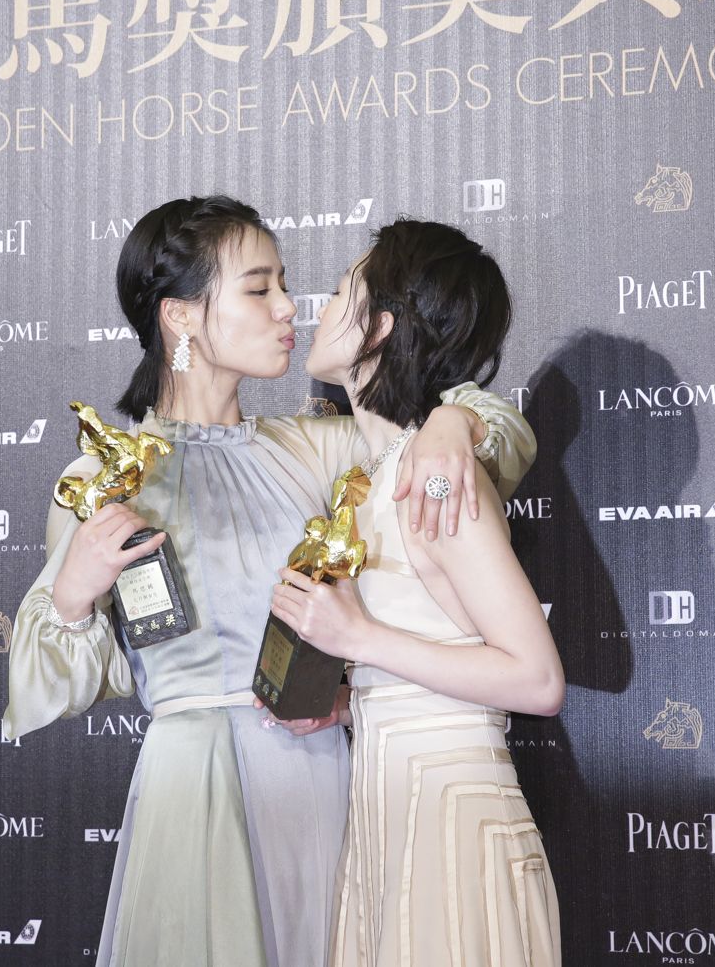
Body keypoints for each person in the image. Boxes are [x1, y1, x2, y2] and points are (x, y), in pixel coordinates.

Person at [1, 196, 537, 967]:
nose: (289, 307)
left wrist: (459, 422)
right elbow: (59, 681)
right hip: (196, 788)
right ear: (181, 316)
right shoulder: (104, 478)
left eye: (283, 283)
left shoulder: (318, 450)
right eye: (259, 288)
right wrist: (74, 593)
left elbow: (469, 436)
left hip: (328, 779)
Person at [272, 218, 565, 967]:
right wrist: (349, 700)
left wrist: (359, 639)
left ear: (380, 326)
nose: (319, 308)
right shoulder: (380, 478)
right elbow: (439, 650)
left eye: (343, 291)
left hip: (451, 816)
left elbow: (537, 680)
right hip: (389, 808)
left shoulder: (432, 479)